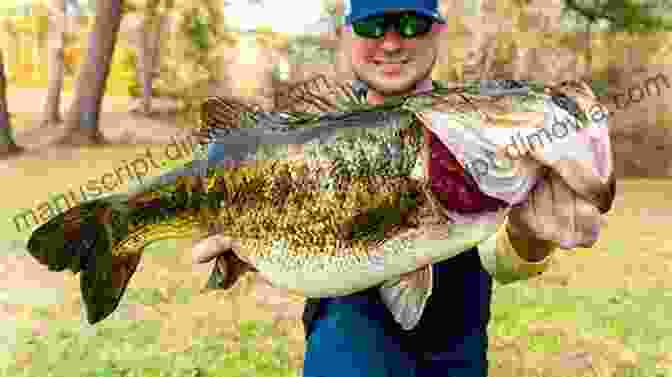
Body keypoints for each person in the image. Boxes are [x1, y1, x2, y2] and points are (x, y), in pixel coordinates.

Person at [192, 1, 615, 376]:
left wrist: (531, 236)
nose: (391, 43)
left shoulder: (484, 125)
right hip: (342, 357)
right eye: (374, 26)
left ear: (438, 29)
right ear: (347, 33)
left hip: (455, 357)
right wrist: (266, 247)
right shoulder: (310, 132)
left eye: (410, 24)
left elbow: (503, 254)